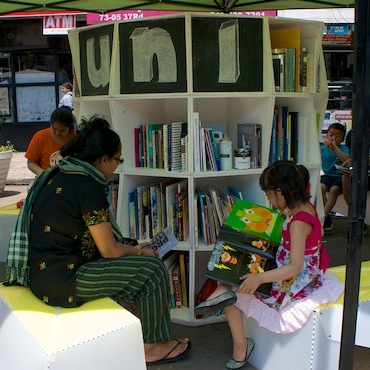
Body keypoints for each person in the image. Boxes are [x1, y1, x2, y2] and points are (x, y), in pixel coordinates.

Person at [6, 116, 191, 366]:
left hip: (43, 273)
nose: (117, 165)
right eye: (118, 159)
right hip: (65, 280)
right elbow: (109, 250)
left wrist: (133, 247)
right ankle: (153, 347)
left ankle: (138, 332)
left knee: (133, 248)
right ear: (103, 160)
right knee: (153, 271)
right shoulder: (89, 188)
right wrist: (138, 253)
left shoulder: (55, 174)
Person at [195, 161, 343, 370]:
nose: (270, 200)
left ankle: (240, 345)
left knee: (237, 289)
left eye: (270, 194)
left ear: (281, 192)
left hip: (293, 279)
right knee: (233, 268)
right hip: (285, 263)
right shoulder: (302, 207)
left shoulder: (299, 223)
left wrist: (259, 278)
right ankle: (222, 291)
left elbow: (295, 267)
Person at [25, 107, 76, 175]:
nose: (57, 133)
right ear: (50, 124)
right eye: (54, 128)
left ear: (69, 128)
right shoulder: (40, 136)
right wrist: (44, 174)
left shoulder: (76, 138)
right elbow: (31, 162)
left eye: (62, 130)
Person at [320, 122, 350, 231]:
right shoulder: (323, 149)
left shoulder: (344, 148)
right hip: (327, 176)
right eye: (331, 135)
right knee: (321, 188)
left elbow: (346, 160)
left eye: (337, 136)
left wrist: (336, 148)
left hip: (338, 177)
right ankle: (326, 216)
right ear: (326, 135)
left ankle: (323, 216)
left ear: (342, 139)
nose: (333, 138)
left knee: (334, 190)